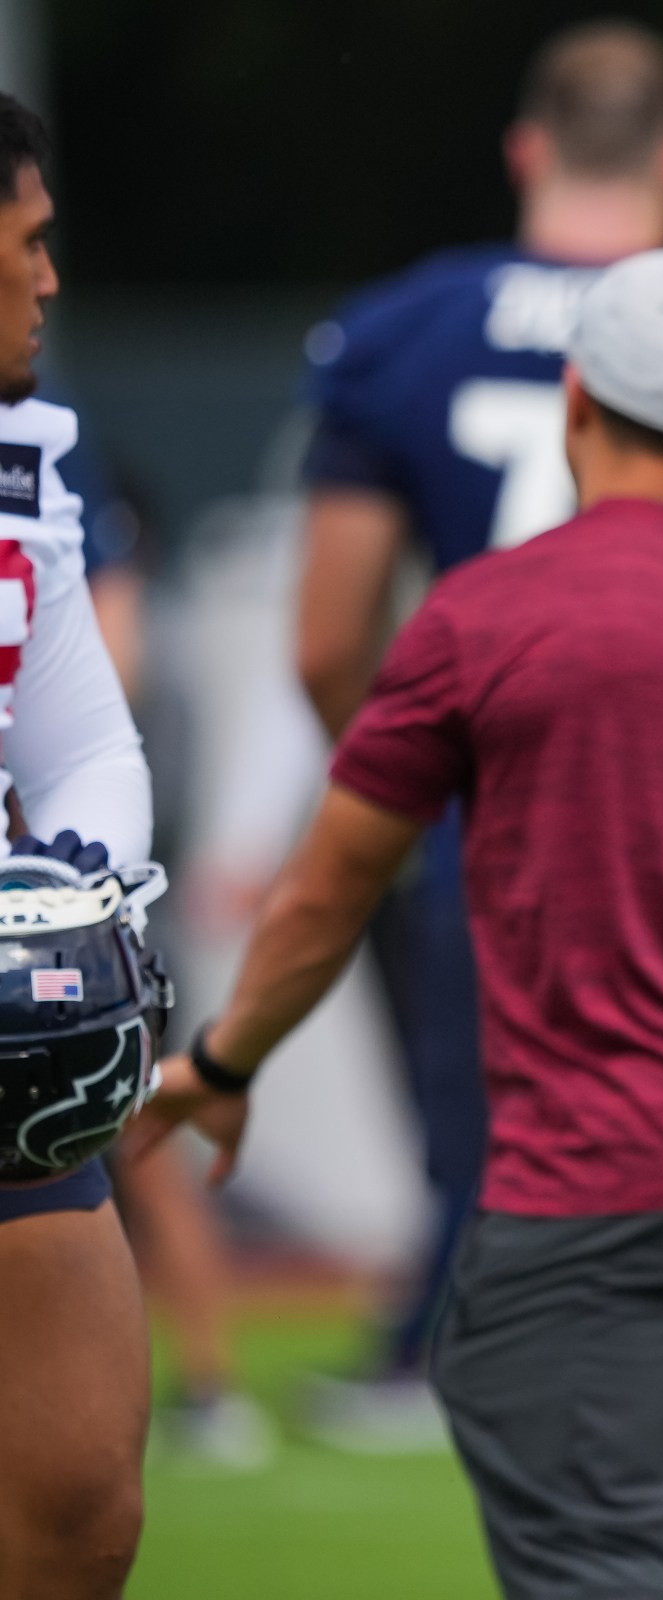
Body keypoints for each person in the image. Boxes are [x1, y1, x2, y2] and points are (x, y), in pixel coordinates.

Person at [126, 248, 663, 1600]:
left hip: (587, 1196)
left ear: (577, 397)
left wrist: (226, 1065)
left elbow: (329, 886)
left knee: (600, 1575)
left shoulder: (480, 620)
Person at [291, 19, 663, 1445]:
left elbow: (327, 638)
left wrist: (413, 779)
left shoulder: (401, 334)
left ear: (525, 150)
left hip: (493, 788)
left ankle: (469, 1357)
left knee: (499, 1125)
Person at [0, 94, 161, 1600]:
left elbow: (83, 746)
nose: (51, 280)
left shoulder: (21, 455)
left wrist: (65, 891)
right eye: (30, 241)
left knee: (78, 1500)